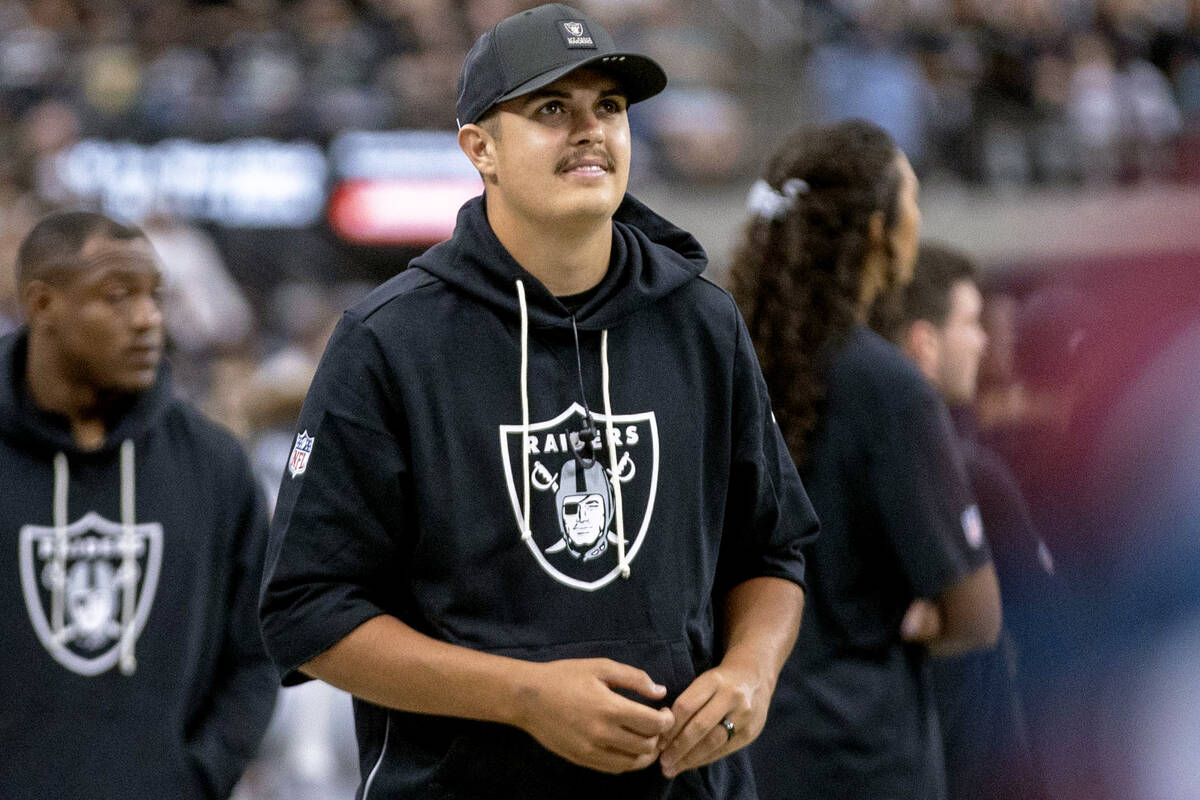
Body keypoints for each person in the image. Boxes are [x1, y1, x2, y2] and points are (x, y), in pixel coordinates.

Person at [259, 4, 818, 800]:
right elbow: (305, 611)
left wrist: (750, 674)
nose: (590, 130)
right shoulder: (389, 342)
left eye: (609, 107)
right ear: (479, 149)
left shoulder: (703, 321)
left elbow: (770, 553)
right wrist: (522, 696)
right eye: (553, 109)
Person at [731, 120, 1002, 800]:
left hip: (744, 751)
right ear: (881, 231)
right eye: (913, 199)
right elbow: (975, 612)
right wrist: (922, 616)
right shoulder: (888, 387)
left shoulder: (721, 365)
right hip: (863, 759)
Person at [0, 210, 276, 798]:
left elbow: (257, 648)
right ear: (42, 304)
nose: (149, 319)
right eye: (117, 296)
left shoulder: (214, 463)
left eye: (155, 296)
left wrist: (199, 777)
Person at [888, 242, 1054, 800]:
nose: (982, 340)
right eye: (970, 322)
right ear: (924, 343)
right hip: (970, 771)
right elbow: (1051, 626)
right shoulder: (975, 478)